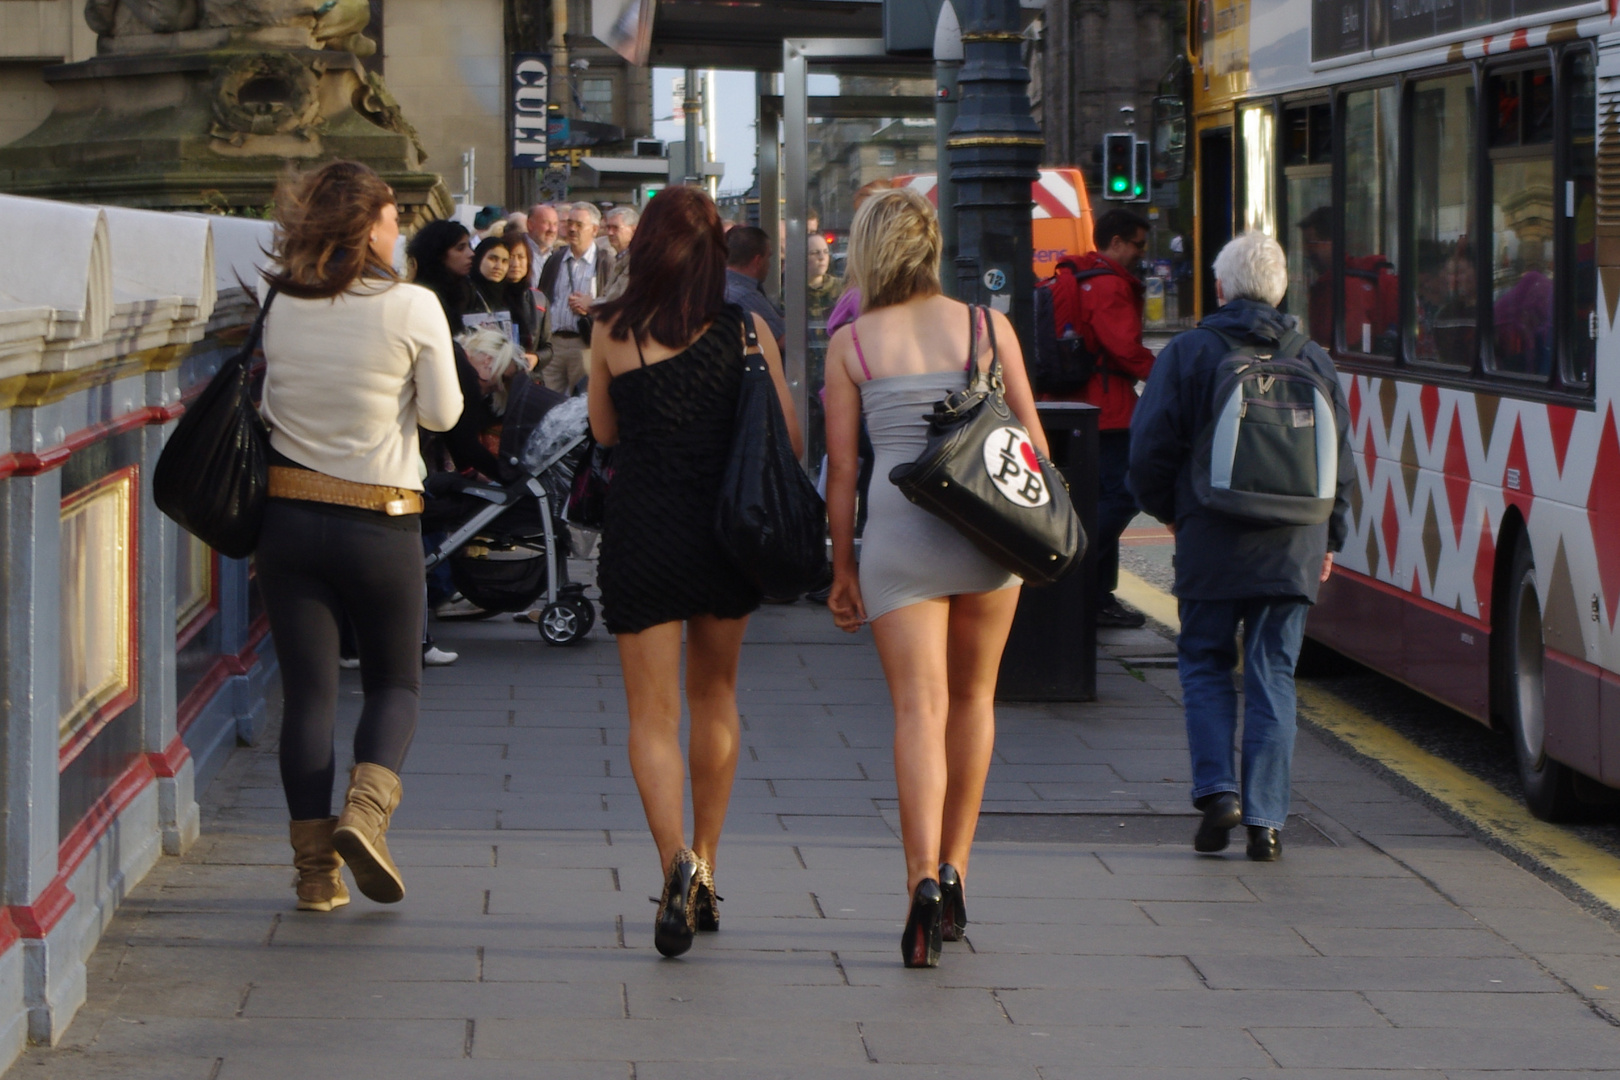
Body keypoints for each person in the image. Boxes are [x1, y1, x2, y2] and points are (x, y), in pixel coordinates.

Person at [822, 188, 1047, 969]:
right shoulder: (988, 327)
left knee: (918, 707)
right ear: (932, 250)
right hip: (987, 533)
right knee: (974, 700)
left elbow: (843, 472)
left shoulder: (851, 346)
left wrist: (843, 569)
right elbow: (1035, 448)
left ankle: (916, 878)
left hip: (899, 536)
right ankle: (956, 869)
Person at [588, 186, 800, 958]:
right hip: (725, 532)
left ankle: (673, 864)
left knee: (652, 716)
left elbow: (604, 431)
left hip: (644, 530)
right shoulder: (745, 329)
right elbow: (789, 438)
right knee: (715, 695)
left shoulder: (610, 329)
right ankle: (705, 867)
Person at [256, 161, 462, 911]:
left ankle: (315, 878)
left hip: (287, 517)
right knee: (395, 681)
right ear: (367, 226)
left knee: (309, 696)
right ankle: (365, 819)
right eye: (390, 217)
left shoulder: (277, 299)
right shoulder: (412, 306)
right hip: (380, 521)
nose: (398, 229)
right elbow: (441, 415)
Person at [1127, 232, 1353, 863]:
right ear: (1282, 290)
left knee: (1202, 660)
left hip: (1212, 533)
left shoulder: (1192, 352)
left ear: (1222, 288)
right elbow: (1344, 462)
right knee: (1272, 671)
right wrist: (1329, 537)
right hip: (1293, 544)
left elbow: (1149, 452)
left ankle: (1217, 792)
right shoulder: (1314, 359)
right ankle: (1266, 824)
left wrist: (1175, 514)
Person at [1045, 208, 1156, 629]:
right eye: (1137, 244)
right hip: (1107, 409)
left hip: (1074, 403)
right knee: (1123, 495)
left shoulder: (1081, 276)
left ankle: (1096, 594)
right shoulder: (1108, 284)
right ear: (1115, 243)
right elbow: (1124, 348)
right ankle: (1081, 570)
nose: (1140, 254)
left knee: (1092, 498)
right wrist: (1167, 376)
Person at [538, 202, 612, 393]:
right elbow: (542, 297)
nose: (571, 229)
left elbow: (615, 303)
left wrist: (592, 306)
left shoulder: (605, 262)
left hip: (585, 343)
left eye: (579, 225)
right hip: (553, 343)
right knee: (549, 400)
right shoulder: (555, 259)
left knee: (581, 402)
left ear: (594, 230)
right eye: (570, 223)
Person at [723, 226, 785, 350]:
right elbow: (782, 338)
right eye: (768, 257)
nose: (770, 265)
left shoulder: (718, 285)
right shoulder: (745, 296)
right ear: (757, 261)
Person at [405, 219, 476, 328]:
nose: (471, 254)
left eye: (469, 246)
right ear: (439, 254)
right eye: (460, 248)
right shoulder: (422, 297)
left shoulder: (467, 290)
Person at [501, 230, 551, 370]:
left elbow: (547, 347)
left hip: (529, 378)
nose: (515, 263)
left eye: (521, 257)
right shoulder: (491, 297)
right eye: (510, 257)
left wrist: (536, 358)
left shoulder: (538, 299)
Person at [601, 205, 638, 301]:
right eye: (608, 227)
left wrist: (590, 304)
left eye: (615, 228)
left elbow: (620, 300)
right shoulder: (619, 257)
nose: (610, 233)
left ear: (634, 230)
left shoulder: (636, 261)